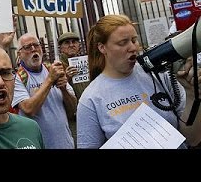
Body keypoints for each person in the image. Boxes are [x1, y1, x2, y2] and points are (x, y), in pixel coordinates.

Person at [77, 14, 188, 149]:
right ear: (102, 48)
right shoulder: (91, 98)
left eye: (134, 40)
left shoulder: (159, 75)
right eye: (122, 43)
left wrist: (191, 92)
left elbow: (191, 138)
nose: (133, 47)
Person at [11, 33, 77, 149]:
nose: (33, 49)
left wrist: (63, 89)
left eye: (36, 45)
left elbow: (73, 109)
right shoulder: (18, 78)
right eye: (27, 47)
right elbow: (29, 109)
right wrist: (50, 80)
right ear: (19, 54)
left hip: (65, 144)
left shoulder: (54, 70)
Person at [58, 31, 89, 147]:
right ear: (61, 48)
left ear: (79, 45)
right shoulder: (57, 66)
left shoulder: (85, 62)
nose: (71, 45)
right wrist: (67, 78)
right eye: (67, 42)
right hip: (72, 118)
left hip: (89, 112)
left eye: (74, 42)